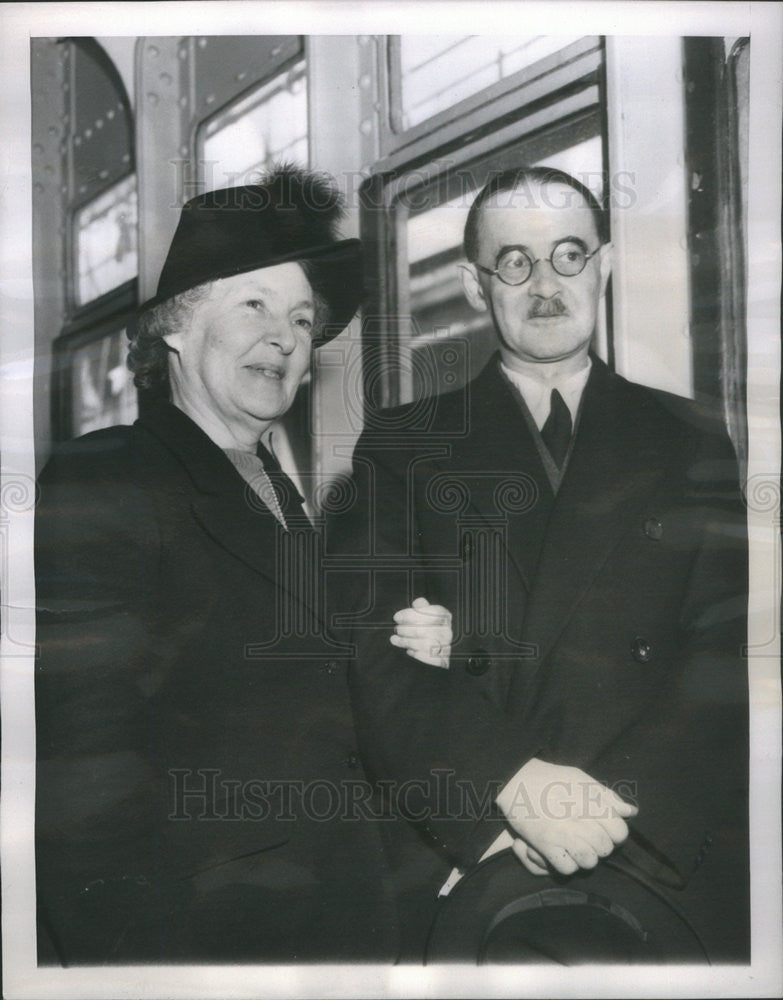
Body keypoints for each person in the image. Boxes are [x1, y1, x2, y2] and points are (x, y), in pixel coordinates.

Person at [327, 165, 749, 962]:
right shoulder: (402, 444)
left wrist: (601, 817)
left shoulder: (692, 440)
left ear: (604, 265)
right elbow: (373, 662)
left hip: (652, 849)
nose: (545, 285)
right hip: (474, 852)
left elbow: (723, 656)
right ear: (473, 284)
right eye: (513, 262)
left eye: (567, 255)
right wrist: (511, 792)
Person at [35, 165, 446, 964]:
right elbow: (83, 778)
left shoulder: (281, 494)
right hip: (205, 943)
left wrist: (415, 652)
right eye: (254, 303)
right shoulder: (106, 478)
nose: (286, 336)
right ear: (176, 327)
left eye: (301, 318)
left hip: (338, 920)